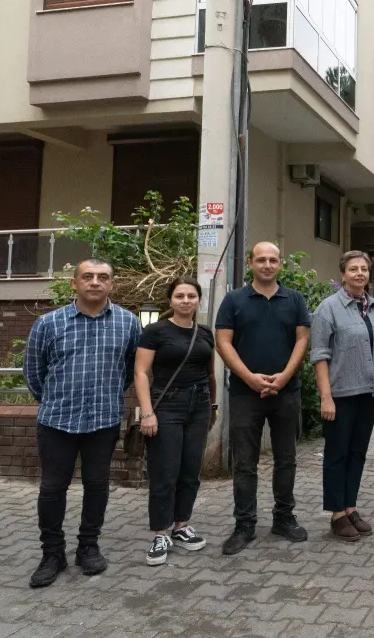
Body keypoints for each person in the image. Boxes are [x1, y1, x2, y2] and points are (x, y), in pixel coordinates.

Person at [24, 258, 141, 588]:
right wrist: (54, 399)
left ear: (111, 285)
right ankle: (52, 553)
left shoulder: (128, 323)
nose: (95, 282)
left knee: (97, 485)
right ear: (74, 283)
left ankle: (88, 547)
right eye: (87, 276)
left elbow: (131, 369)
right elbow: (34, 374)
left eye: (103, 277)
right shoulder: (48, 323)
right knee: (51, 489)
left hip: (103, 421)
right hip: (57, 421)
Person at [216, 242, 312, 554]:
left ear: (280, 264)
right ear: (250, 263)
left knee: (287, 459)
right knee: (245, 463)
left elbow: (302, 339)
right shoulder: (234, 300)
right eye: (261, 260)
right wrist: (249, 377)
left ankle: (283, 518)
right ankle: (244, 524)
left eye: (272, 260)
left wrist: (284, 376)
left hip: (287, 392)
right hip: (246, 394)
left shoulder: (294, 299)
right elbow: (224, 342)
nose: (267, 265)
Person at [133, 276, 218, 566]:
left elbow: (210, 374)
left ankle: (181, 525)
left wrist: (213, 405)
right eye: (180, 296)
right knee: (164, 470)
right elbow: (141, 373)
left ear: (198, 300)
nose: (185, 301)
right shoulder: (155, 331)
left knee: (191, 468)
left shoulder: (205, 333)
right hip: (166, 405)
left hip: (200, 405)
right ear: (170, 300)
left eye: (191, 296)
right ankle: (160, 532)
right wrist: (147, 412)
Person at [311, 251, 374, 541]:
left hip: (370, 394)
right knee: (337, 454)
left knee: (357, 453)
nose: (360, 273)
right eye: (353, 269)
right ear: (343, 274)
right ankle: (336, 514)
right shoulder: (327, 309)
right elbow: (320, 355)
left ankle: (350, 507)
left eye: (364, 269)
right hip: (341, 394)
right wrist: (326, 397)